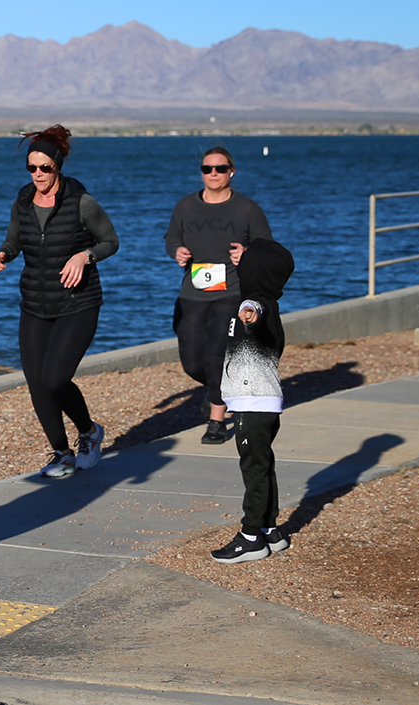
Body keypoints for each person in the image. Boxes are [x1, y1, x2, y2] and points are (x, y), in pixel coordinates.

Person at [0, 125, 119, 478]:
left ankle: (89, 432)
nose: (38, 175)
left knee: (55, 379)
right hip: (35, 303)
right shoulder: (23, 200)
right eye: (32, 168)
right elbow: (14, 240)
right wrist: (3, 255)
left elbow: (110, 242)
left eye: (45, 168)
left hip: (78, 303)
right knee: (36, 381)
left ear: (57, 166)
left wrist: (84, 256)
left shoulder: (82, 203)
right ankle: (61, 453)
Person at [164, 146, 273, 444]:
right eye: (207, 169)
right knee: (192, 361)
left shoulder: (247, 209)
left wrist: (249, 253)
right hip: (193, 292)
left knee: (215, 353)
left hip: (232, 292)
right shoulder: (186, 206)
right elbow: (172, 235)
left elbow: (269, 248)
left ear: (231, 172)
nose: (213, 174)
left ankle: (216, 419)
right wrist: (177, 250)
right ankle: (219, 389)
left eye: (220, 169)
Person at [210, 238, 295, 563]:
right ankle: (269, 530)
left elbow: (254, 311)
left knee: (254, 468)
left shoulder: (257, 304)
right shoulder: (269, 304)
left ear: (255, 270)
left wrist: (248, 313)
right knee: (264, 464)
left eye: (245, 261)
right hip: (261, 402)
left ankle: (250, 537)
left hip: (253, 403)